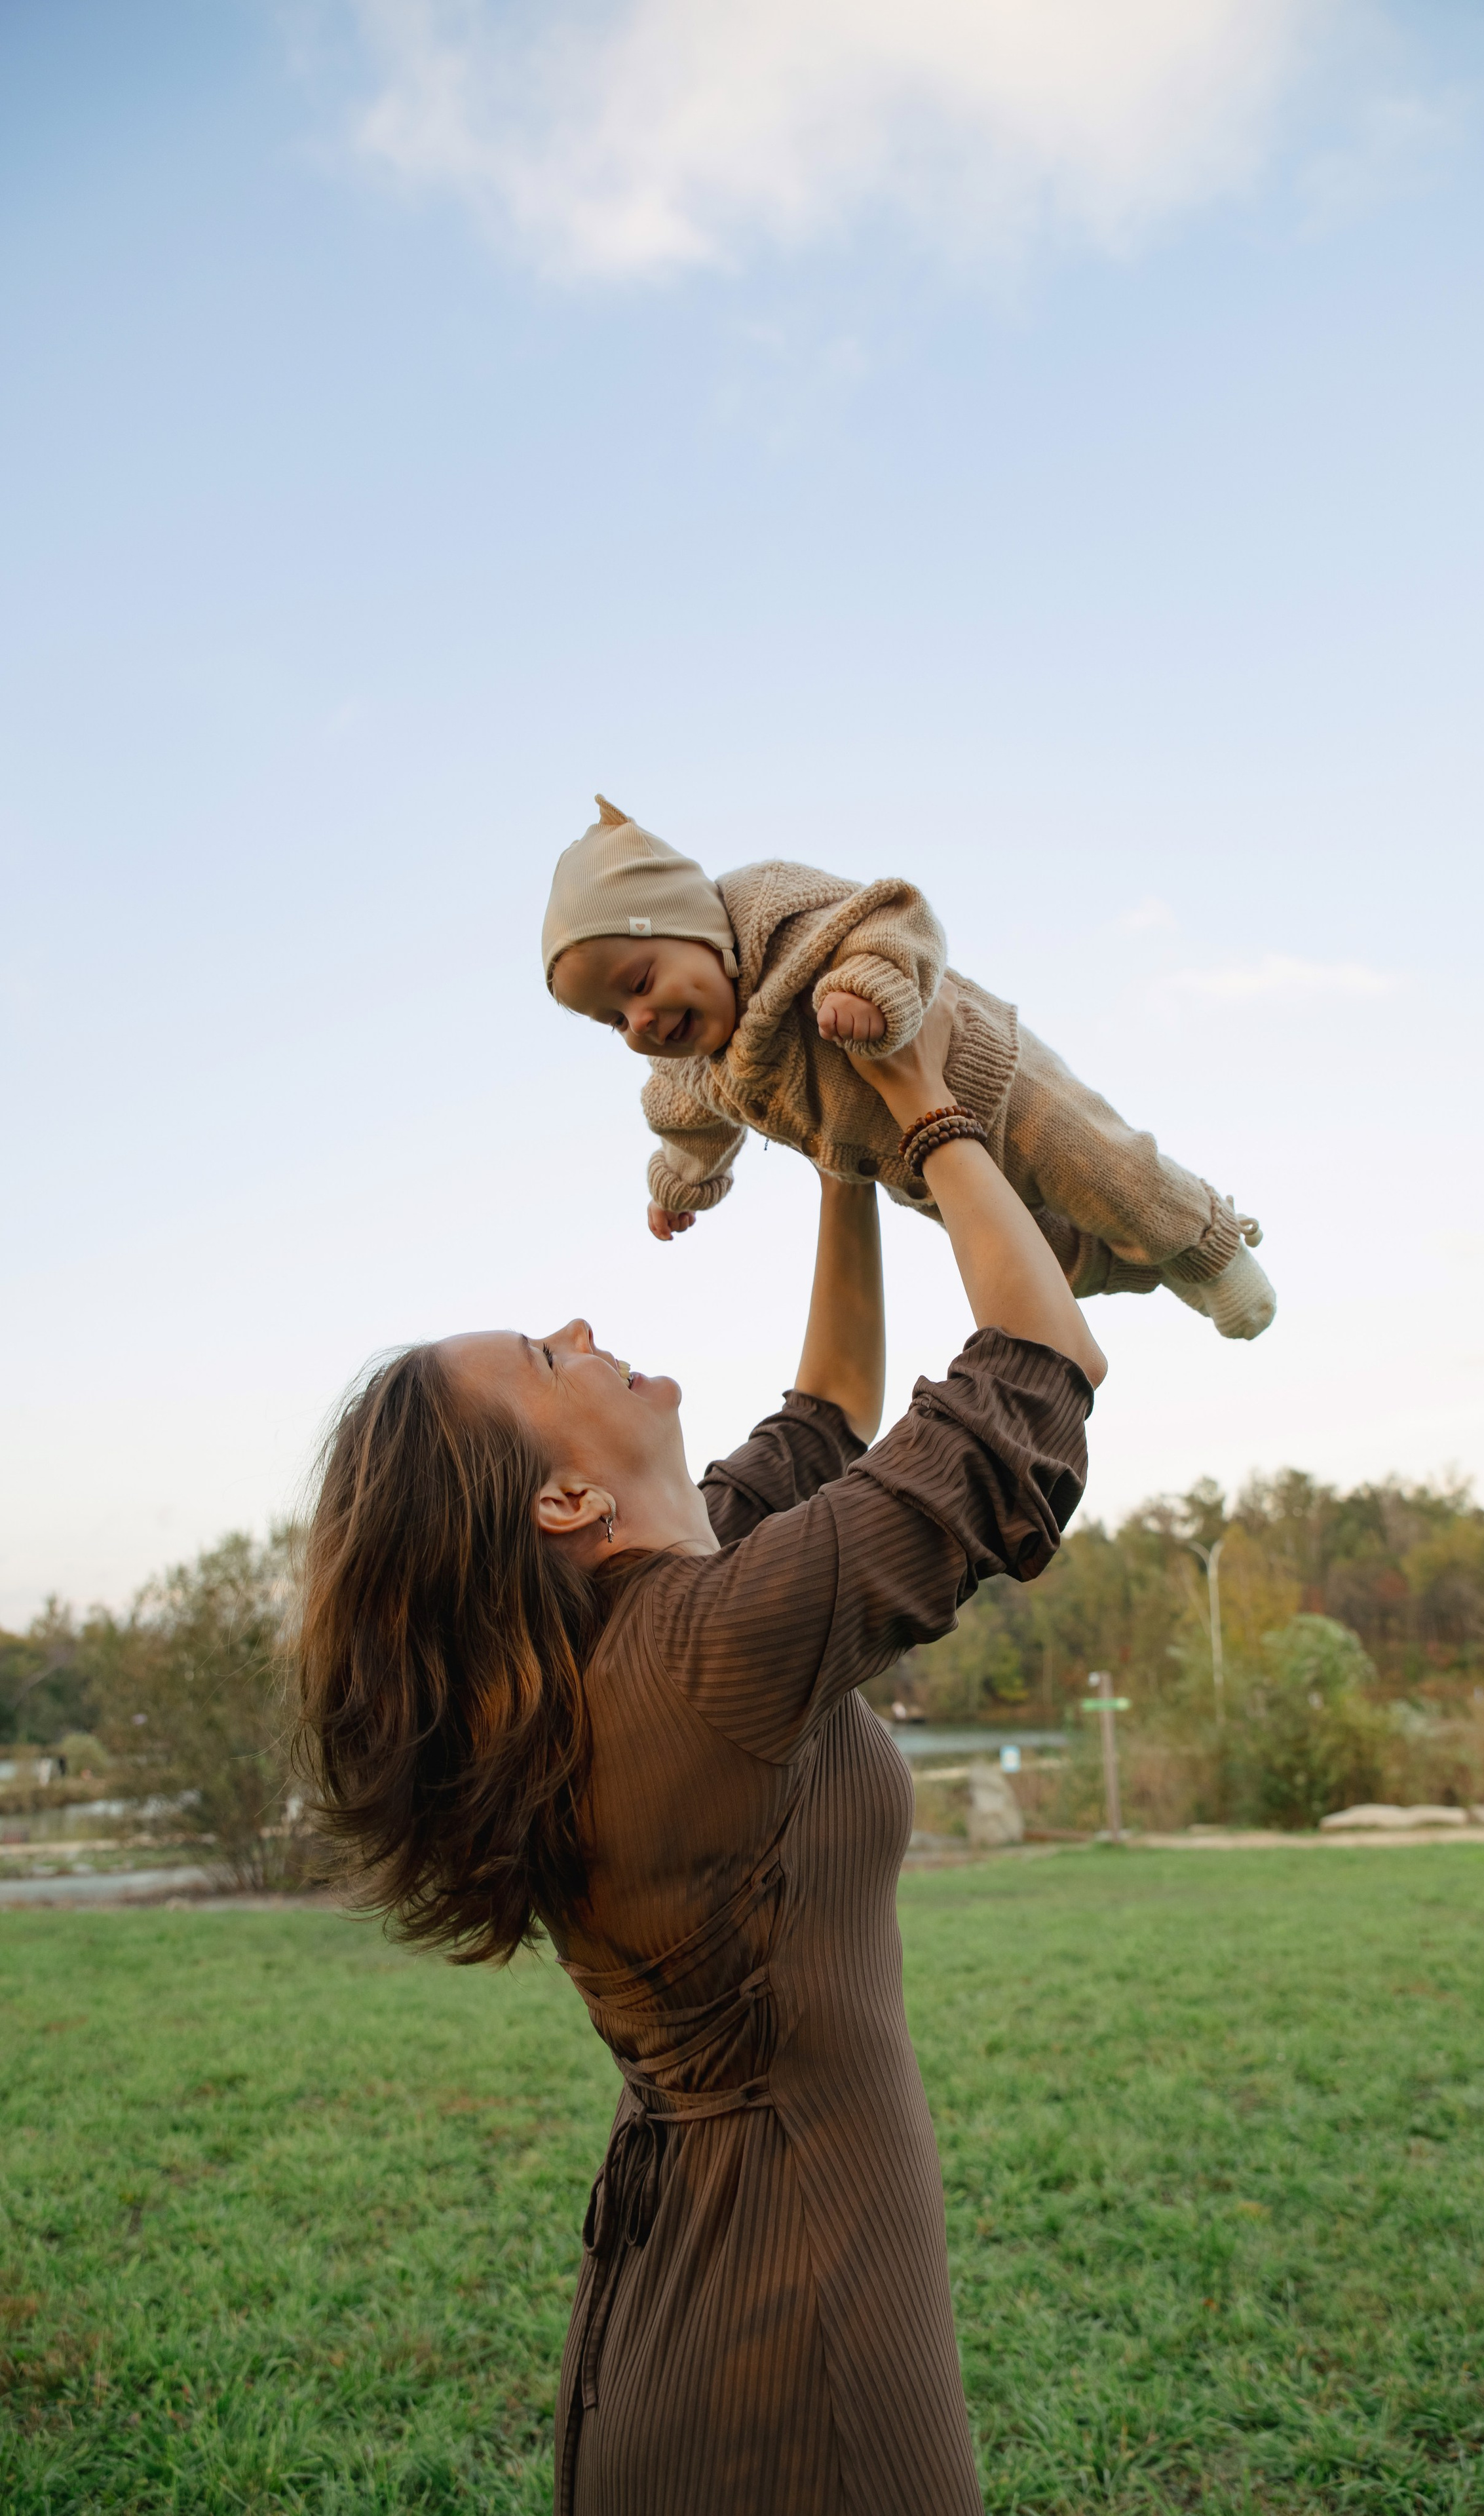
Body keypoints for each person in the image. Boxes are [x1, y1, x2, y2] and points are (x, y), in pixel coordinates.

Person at [295, 993, 1107, 2515]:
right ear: (556, 1504)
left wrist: (835, 1157)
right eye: (548, 1353)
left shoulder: (644, 1635)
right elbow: (1033, 1375)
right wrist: (929, 1114)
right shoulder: (695, 1658)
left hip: (699, 2308)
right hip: (789, 2347)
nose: (587, 1329)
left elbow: (829, 1417)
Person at [542, 793, 1274, 1338]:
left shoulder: (773, 911)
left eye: (639, 985)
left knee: (1105, 1171)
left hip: (988, 1084)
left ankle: (1208, 1245)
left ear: (694, 929)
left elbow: (894, 913)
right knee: (1047, 1265)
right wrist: (681, 1181)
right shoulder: (693, 1066)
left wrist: (870, 983)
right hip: (913, 1165)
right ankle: (1151, 1262)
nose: (639, 1023)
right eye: (613, 1021)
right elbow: (684, 1122)